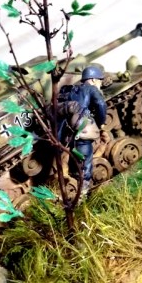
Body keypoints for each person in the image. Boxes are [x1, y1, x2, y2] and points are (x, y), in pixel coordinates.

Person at [58, 65, 107, 193]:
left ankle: (75, 184)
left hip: (70, 133)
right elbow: (101, 104)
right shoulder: (91, 89)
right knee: (85, 163)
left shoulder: (73, 90)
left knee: (75, 160)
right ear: (93, 79)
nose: (100, 84)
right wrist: (101, 122)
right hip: (83, 132)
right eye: (99, 81)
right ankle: (82, 192)